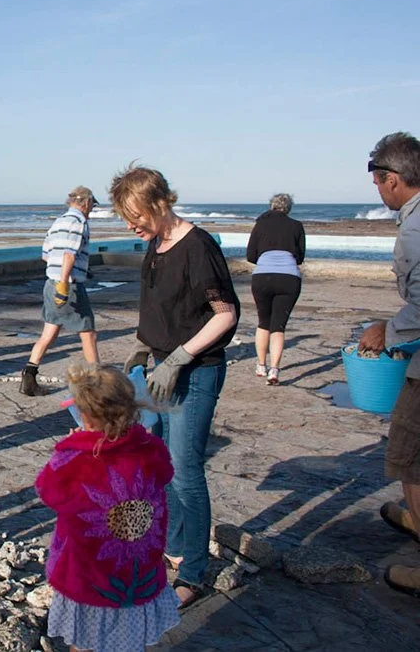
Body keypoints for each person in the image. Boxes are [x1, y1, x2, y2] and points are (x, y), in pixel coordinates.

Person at [111, 165, 239, 609]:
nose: (131, 226)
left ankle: (194, 574)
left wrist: (180, 358)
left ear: (161, 202)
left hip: (196, 371)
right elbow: (159, 307)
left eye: (136, 216)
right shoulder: (156, 244)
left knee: (185, 470)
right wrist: (143, 346)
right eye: (126, 218)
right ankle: (177, 548)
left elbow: (226, 314)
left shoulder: (198, 247)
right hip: (160, 368)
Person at [37, 365, 179, 651]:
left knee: (84, 641)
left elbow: (47, 491)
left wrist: (73, 443)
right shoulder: (151, 448)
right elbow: (166, 474)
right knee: (130, 640)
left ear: (84, 415)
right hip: (138, 572)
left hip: (87, 576)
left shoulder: (74, 458)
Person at [359, 133, 420, 599]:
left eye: (379, 183)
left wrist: (387, 330)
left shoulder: (415, 229)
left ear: (393, 180)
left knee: (410, 459)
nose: (379, 192)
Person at [19, 186, 100, 396]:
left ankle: (29, 377)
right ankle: (98, 382)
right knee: (88, 334)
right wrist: (64, 283)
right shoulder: (79, 222)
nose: (91, 209)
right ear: (86, 202)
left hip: (50, 283)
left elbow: (46, 255)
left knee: (49, 332)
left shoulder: (58, 222)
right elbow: (69, 254)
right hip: (67, 285)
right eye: (92, 205)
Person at [246, 193, 306, 385]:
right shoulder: (296, 225)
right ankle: (274, 370)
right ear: (289, 208)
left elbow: (250, 255)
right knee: (278, 326)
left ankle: (261, 365)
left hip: (262, 276)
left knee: (263, 322)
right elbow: (300, 257)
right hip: (289, 277)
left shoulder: (260, 224)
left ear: (271, 206)